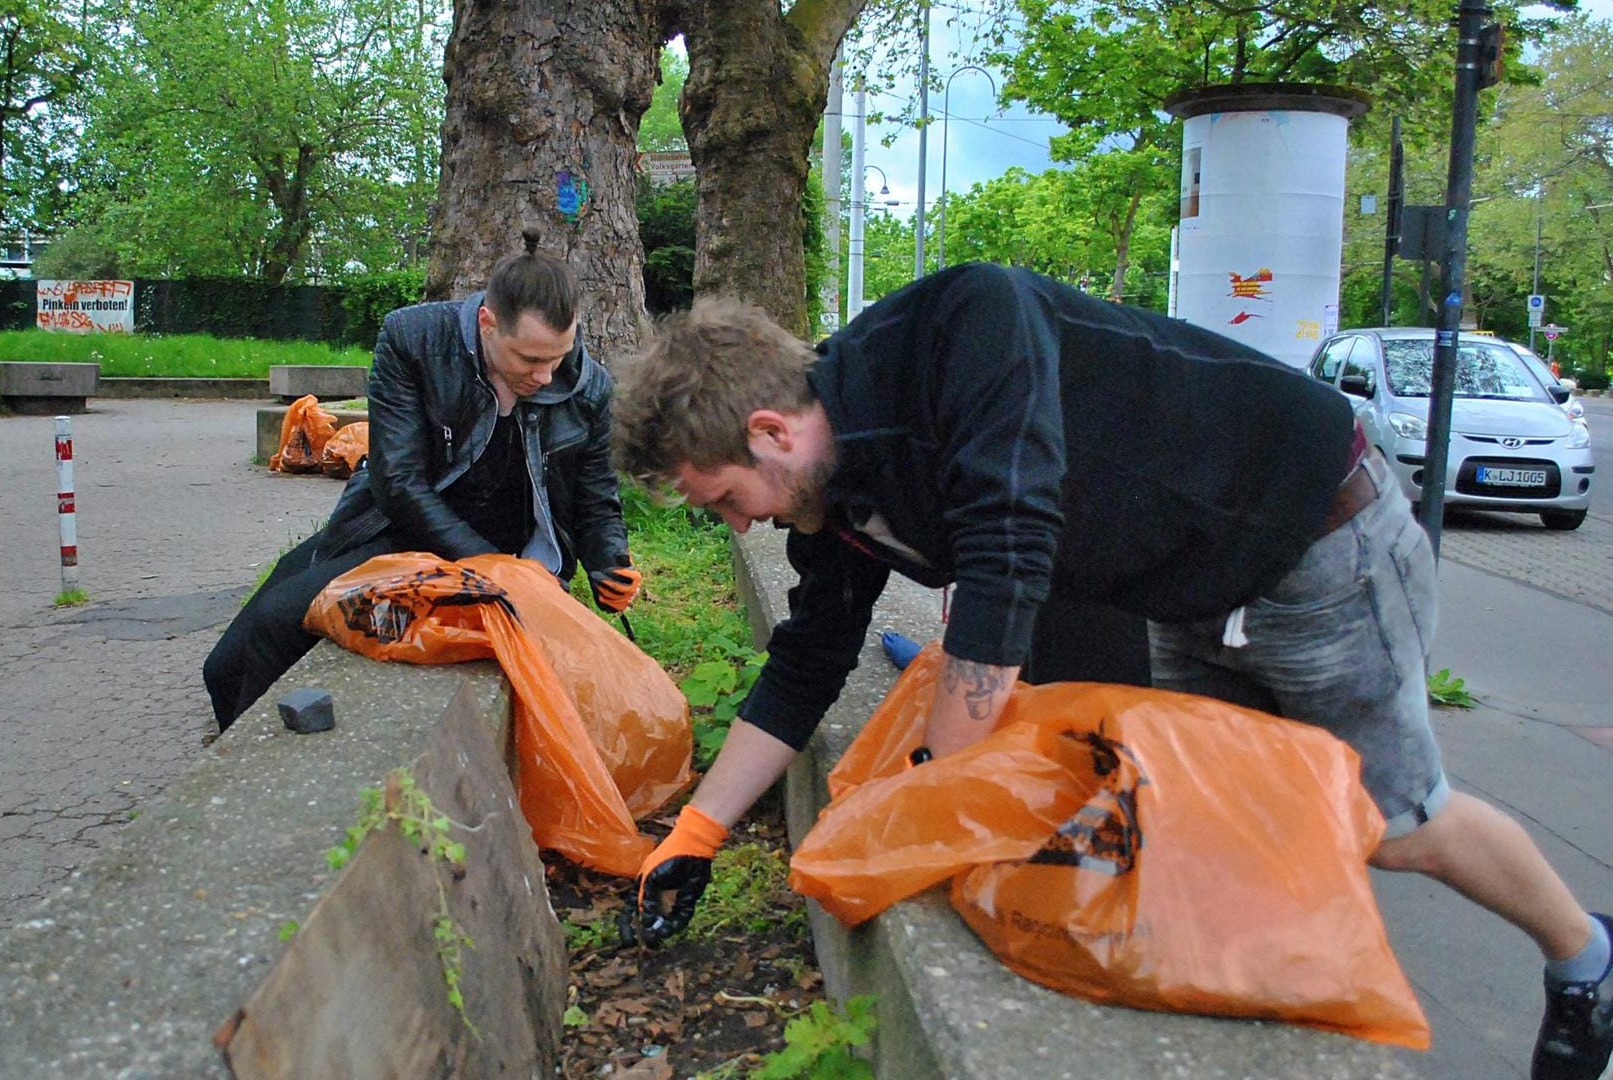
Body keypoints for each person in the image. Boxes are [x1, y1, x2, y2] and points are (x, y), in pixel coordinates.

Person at [611, 264, 1611, 1080]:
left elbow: (1009, 560)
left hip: (1316, 540)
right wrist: (695, 836)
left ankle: (1586, 960)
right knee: (1224, 827)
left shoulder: (965, 326)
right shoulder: (831, 500)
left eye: (726, 500)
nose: (739, 524)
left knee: (1390, 827)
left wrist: (930, 801)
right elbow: (809, 660)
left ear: (772, 432)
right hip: (1186, 588)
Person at [203, 231, 642, 729]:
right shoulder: (413, 338)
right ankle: (234, 760)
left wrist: (610, 563)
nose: (546, 376)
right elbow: (398, 482)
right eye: (531, 359)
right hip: (400, 526)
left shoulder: (588, 386)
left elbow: (596, 497)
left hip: (511, 553)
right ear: (487, 322)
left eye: (558, 356)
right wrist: (489, 566)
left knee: (278, 625)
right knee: (224, 664)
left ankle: (260, 776)